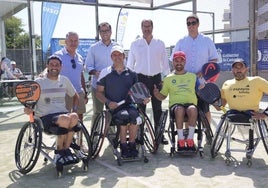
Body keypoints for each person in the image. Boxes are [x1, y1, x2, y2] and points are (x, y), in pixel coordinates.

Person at [24, 55, 80, 164]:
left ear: (61, 67)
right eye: (52, 64)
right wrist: (28, 109)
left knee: (74, 117)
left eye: (57, 65)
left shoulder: (64, 80)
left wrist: (75, 109)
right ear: (47, 66)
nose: (54, 67)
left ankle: (65, 150)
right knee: (65, 119)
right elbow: (29, 102)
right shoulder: (38, 82)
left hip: (63, 115)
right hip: (44, 117)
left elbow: (75, 96)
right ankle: (59, 153)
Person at [96, 45, 150, 158]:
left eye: (119, 54)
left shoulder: (132, 73)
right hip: (114, 108)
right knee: (123, 118)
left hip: (130, 106)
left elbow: (137, 92)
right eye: (114, 55)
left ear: (124, 56)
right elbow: (99, 93)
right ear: (111, 57)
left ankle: (132, 144)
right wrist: (108, 102)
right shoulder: (105, 73)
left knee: (135, 118)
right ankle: (123, 145)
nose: (117, 57)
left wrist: (145, 98)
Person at [127, 19, 170, 145]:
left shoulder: (160, 43)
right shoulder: (135, 44)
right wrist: (131, 81)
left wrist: (165, 79)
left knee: (158, 108)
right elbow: (130, 65)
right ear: (141, 28)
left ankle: (159, 135)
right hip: (140, 79)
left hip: (157, 79)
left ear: (153, 27)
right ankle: (140, 135)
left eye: (149, 26)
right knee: (140, 109)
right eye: (144, 26)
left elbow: (165, 63)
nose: (147, 29)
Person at [171, 14, 218, 123]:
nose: (191, 25)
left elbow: (214, 59)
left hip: (202, 81)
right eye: (188, 23)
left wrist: (204, 71)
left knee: (205, 108)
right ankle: (188, 136)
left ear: (198, 24)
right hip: (185, 80)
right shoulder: (181, 41)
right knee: (188, 108)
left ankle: (208, 135)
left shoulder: (206, 40)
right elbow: (173, 59)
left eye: (193, 23)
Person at [154, 51, 198, 151]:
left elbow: (199, 89)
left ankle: (190, 140)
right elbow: (163, 96)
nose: (179, 63)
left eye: (181, 61)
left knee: (193, 109)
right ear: (173, 62)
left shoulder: (192, 76)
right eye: (176, 61)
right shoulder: (168, 78)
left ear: (185, 62)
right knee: (180, 110)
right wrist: (157, 94)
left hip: (190, 104)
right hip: (176, 106)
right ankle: (181, 140)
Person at [85, 22, 118, 127]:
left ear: (111, 32)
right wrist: (95, 72)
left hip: (114, 86)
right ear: (99, 33)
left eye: (107, 30)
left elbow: (123, 64)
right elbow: (87, 66)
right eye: (102, 31)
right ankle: (94, 138)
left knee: (113, 112)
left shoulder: (118, 46)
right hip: (98, 86)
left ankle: (111, 136)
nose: (105, 33)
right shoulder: (93, 48)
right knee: (97, 112)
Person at [54, 31, 87, 121]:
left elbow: (81, 75)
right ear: (66, 41)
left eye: (75, 41)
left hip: (78, 92)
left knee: (79, 117)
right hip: (64, 92)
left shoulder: (80, 57)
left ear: (78, 42)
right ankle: (67, 135)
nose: (73, 43)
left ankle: (79, 135)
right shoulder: (58, 55)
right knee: (65, 118)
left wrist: (85, 93)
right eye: (71, 40)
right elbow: (51, 70)